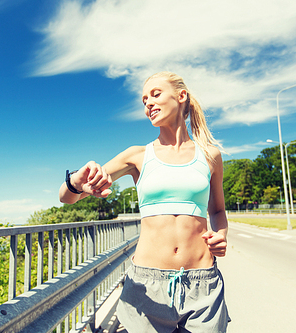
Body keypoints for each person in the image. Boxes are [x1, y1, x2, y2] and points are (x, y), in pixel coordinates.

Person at [59, 72, 230, 332]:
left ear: (181, 96)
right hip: (147, 287)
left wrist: (221, 235)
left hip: (203, 283)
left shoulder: (210, 156)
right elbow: (68, 198)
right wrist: (75, 182)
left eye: (156, 94)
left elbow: (217, 210)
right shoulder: (137, 156)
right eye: (144, 100)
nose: (148, 103)